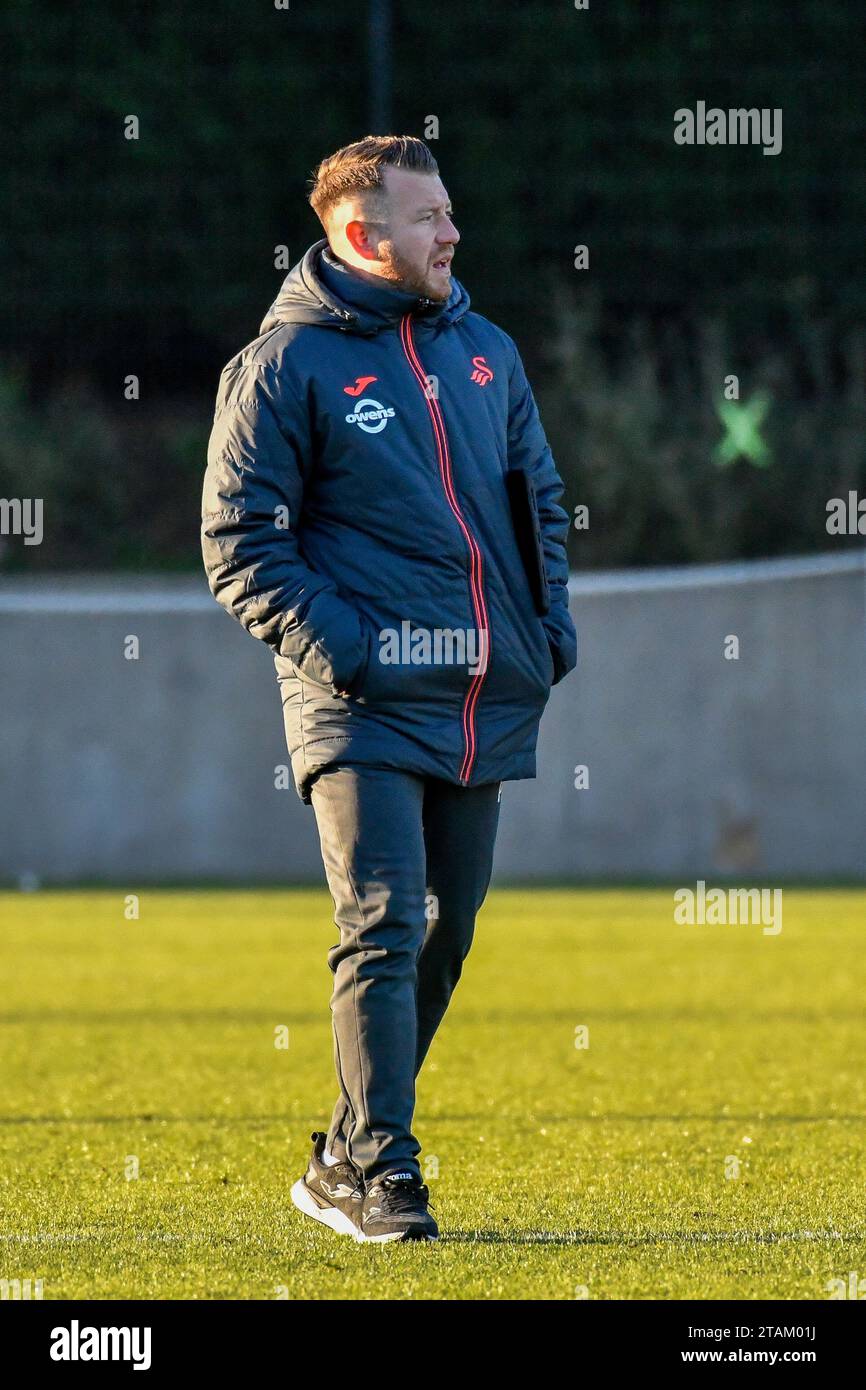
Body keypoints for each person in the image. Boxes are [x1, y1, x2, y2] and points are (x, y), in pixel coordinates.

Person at [201, 134, 577, 1243]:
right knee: (384, 920)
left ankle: (340, 1153)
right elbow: (240, 545)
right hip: (358, 701)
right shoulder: (282, 368)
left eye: (449, 210)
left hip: (481, 694)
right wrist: (355, 652)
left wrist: (545, 633)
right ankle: (385, 1174)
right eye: (428, 218)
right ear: (362, 236)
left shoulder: (487, 353)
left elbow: (539, 503)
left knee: (442, 936)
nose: (451, 232)